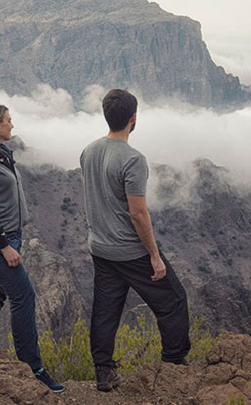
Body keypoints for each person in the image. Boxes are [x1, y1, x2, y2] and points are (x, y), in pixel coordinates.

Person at [80, 89, 191, 392]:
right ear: (133, 119)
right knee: (173, 301)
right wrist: (154, 255)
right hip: (130, 251)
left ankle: (104, 373)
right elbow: (138, 214)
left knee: (105, 310)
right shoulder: (133, 160)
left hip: (100, 248)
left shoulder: (88, 151)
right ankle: (173, 365)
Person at [0, 103, 65, 394]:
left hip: (9, 235)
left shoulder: (0, 153)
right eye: (8, 120)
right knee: (23, 295)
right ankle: (34, 368)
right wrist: (5, 246)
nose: (12, 125)